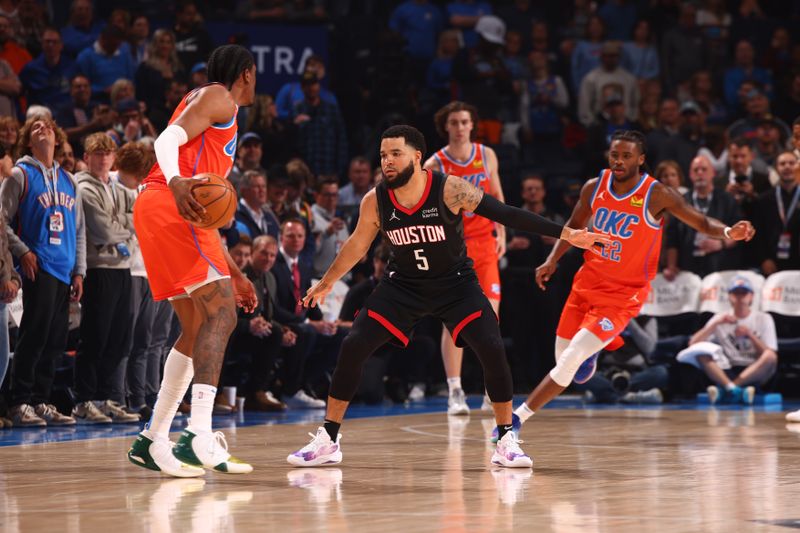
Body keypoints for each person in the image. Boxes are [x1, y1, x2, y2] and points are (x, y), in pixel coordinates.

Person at [287, 124, 610, 468]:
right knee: (353, 344)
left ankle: (505, 439)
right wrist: (326, 281)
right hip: (404, 286)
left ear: (416, 156)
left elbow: (505, 213)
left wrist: (568, 234)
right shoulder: (376, 200)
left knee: (491, 345)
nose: (388, 162)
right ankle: (329, 439)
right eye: (383, 155)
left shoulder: (449, 189)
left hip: (455, 284)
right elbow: (356, 246)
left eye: (395, 154)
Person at [507, 130, 755, 448]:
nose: (619, 161)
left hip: (623, 295)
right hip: (586, 284)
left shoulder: (656, 194)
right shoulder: (594, 187)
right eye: (614, 155)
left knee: (570, 361)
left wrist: (729, 231)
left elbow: (701, 222)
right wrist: (552, 259)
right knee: (569, 366)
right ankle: (593, 351)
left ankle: (515, 420)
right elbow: (574, 226)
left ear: (641, 159)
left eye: (626, 156)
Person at [126, 44, 258, 478]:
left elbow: (207, 214)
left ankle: (152, 438)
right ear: (248, 73)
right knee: (222, 315)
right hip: (169, 200)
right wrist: (179, 182)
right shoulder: (219, 96)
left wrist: (235, 273)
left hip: (162, 207)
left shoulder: (213, 108)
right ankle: (199, 432)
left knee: (198, 326)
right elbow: (165, 139)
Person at [1, 117, 85, 427]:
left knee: (54, 340)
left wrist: (80, 270)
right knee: (33, 336)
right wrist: (22, 251)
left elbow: (78, 231)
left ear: (58, 138)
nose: (43, 128)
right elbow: (2, 221)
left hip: (64, 268)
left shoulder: (69, 180)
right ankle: (20, 401)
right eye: (35, 126)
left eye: (48, 125)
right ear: (27, 140)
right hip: (37, 264)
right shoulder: (20, 175)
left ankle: (41, 400)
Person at [424, 101, 506, 415]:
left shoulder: (486, 155)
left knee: (490, 321)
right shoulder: (435, 163)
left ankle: (491, 390)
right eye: (454, 122)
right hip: (454, 249)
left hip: (485, 245)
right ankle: (455, 390)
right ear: (446, 126)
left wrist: (503, 232)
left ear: (472, 125)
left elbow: (497, 196)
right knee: (454, 322)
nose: (460, 127)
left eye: (464, 122)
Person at [72, 133, 139, 424]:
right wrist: (124, 227)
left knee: (119, 338)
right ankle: (84, 400)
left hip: (123, 269)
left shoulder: (119, 188)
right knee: (95, 337)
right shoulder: (82, 188)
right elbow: (104, 231)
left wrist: (122, 227)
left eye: (107, 153)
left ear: (114, 157)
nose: (102, 159)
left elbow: (138, 221)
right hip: (99, 270)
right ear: (86, 158)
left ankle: (107, 397)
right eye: (97, 154)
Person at [676, 277, 777, 405]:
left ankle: (730, 388)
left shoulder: (764, 318)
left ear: (751, 296)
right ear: (729, 296)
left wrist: (750, 335)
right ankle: (733, 388)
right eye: (736, 293)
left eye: (744, 293)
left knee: (770, 356)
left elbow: (770, 353)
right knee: (700, 353)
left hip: (753, 368)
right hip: (728, 368)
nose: (740, 297)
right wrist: (716, 324)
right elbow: (692, 343)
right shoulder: (720, 317)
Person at [753, 150, 800, 274]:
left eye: (791, 163)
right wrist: (764, 259)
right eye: (782, 163)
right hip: (772, 263)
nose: (787, 167)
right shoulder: (763, 199)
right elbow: (758, 233)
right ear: (776, 169)